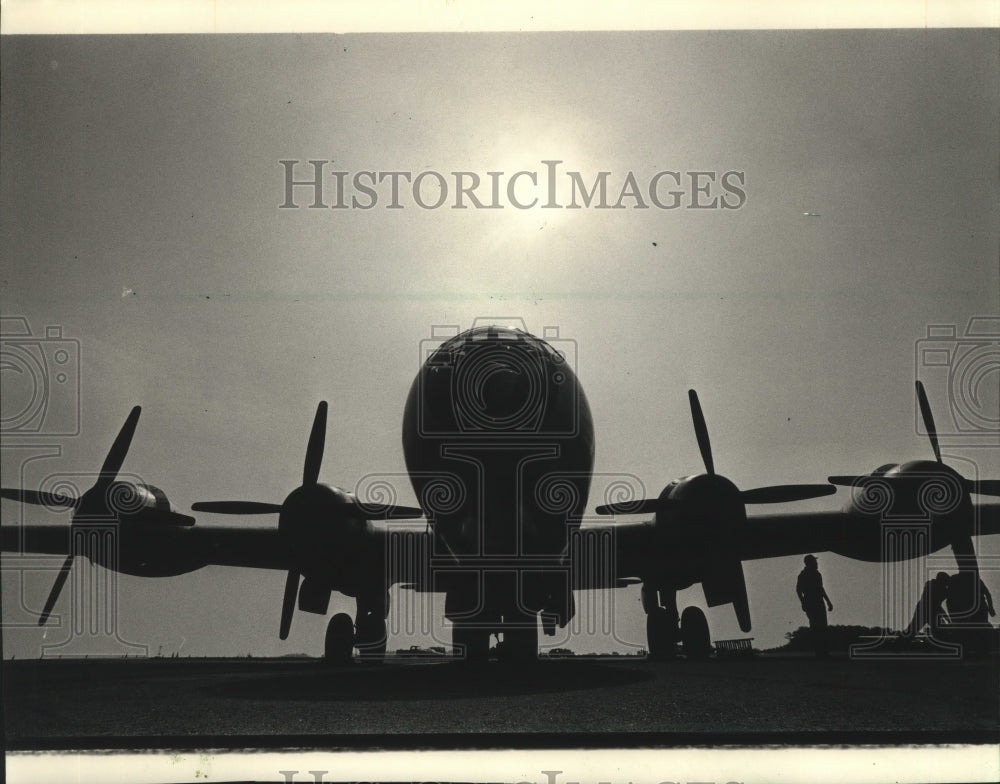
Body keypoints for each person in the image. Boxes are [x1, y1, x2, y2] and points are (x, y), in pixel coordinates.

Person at [796, 554, 833, 656]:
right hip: (812, 602)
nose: (817, 563)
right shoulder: (803, 575)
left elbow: (821, 589)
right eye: (814, 562)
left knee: (821, 626)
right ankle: (820, 651)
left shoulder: (816, 574)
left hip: (817, 602)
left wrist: (828, 601)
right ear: (810, 563)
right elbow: (799, 590)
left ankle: (823, 650)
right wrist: (803, 602)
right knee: (816, 626)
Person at [904, 571, 952, 638]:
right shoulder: (937, 588)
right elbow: (936, 605)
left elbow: (937, 605)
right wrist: (947, 618)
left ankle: (899, 643)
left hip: (925, 610)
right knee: (941, 632)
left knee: (912, 630)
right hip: (928, 611)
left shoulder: (931, 585)